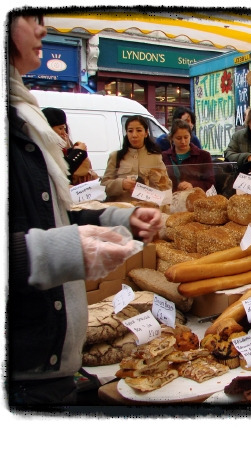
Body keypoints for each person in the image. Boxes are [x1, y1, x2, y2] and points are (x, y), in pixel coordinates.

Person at [8, 13, 163, 405]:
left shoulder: (20, 115)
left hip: (47, 364)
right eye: (29, 18)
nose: (42, 29)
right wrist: (63, 250)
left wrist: (120, 217)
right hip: (21, 373)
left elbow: (52, 218)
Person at [101, 115, 172, 202]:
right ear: (126, 133)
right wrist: (121, 184)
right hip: (122, 210)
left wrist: (146, 192)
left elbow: (166, 187)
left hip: (147, 209)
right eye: (130, 131)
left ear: (146, 133)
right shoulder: (115, 156)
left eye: (139, 130)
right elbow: (103, 186)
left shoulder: (155, 157)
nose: (134, 135)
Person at [42, 106, 99, 186]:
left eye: (64, 128)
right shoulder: (43, 148)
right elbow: (63, 170)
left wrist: (70, 150)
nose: (63, 133)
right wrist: (78, 152)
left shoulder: (60, 146)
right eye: (60, 128)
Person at [162, 119, 215, 192]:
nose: (183, 141)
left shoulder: (204, 155)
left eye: (186, 137)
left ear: (190, 136)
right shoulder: (164, 156)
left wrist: (192, 185)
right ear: (172, 138)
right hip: (172, 198)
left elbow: (210, 182)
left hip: (195, 197)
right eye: (178, 138)